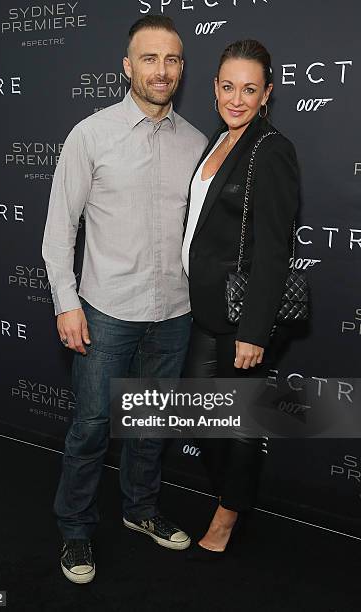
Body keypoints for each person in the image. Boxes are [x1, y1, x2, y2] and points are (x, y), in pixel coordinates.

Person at [42, 15, 207, 583]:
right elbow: (59, 229)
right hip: (106, 312)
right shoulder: (91, 135)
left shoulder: (198, 144)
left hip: (175, 314)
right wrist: (67, 302)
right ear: (127, 67)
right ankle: (76, 531)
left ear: (183, 69)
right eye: (149, 59)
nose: (161, 71)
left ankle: (141, 512)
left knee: (151, 426)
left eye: (172, 60)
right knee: (91, 427)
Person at [182, 39, 300, 560]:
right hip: (204, 311)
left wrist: (255, 330)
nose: (237, 98)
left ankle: (229, 514)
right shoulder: (218, 139)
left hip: (239, 318)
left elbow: (275, 251)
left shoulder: (271, 149)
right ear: (214, 88)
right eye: (228, 87)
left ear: (267, 93)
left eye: (249, 89)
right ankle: (231, 496)